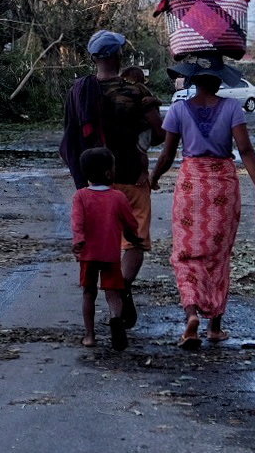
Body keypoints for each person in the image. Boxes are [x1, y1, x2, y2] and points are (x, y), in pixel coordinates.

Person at [149, 53, 255, 350]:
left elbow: (167, 154)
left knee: (186, 253)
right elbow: (246, 150)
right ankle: (214, 327)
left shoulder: (178, 109)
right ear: (219, 81)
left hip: (191, 186)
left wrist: (153, 178)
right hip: (222, 187)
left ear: (192, 80)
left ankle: (191, 314)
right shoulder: (232, 108)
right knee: (218, 255)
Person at [94, 63, 164, 331]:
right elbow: (159, 133)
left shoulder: (86, 91)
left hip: (99, 177)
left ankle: (115, 300)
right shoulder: (139, 94)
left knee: (106, 240)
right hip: (134, 176)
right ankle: (122, 286)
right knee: (134, 239)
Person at [72, 146, 146, 350]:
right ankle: (116, 319)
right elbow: (130, 222)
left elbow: (77, 222)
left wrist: (79, 241)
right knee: (113, 292)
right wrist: (133, 236)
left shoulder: (80, 196)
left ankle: (89, 336)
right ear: (108, 173)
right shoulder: (118, 197)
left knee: (89, 293)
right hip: (110, 254)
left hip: (88, 254)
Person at [60, 30, 127, 189]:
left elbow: (70, 136)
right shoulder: (134, 91)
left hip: (92, 177)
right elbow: (155, 136)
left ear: (93, 58)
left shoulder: (77, 90)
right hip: (128, 176)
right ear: (118, 56)